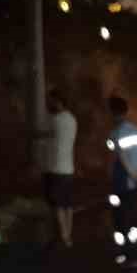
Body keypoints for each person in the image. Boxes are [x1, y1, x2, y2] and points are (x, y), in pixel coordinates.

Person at [104, 94, 137, 267]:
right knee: (132, 219)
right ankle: (136, 254)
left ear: (112, 113)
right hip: (136, 184)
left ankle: (126, 257)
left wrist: (132, 175)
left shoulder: (115, 134)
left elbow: (119, 158)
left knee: (120, 220)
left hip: (121, 184)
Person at [40, 87, 78, 248]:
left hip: (54, 169)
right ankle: (68, 235)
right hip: (68, 169)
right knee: (68, 205)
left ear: (57, 101)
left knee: (56, 206)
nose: (48, 103)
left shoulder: (53, 120)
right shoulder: (72, 120)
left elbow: (41, 134)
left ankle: (62, 236)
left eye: (50, 100)